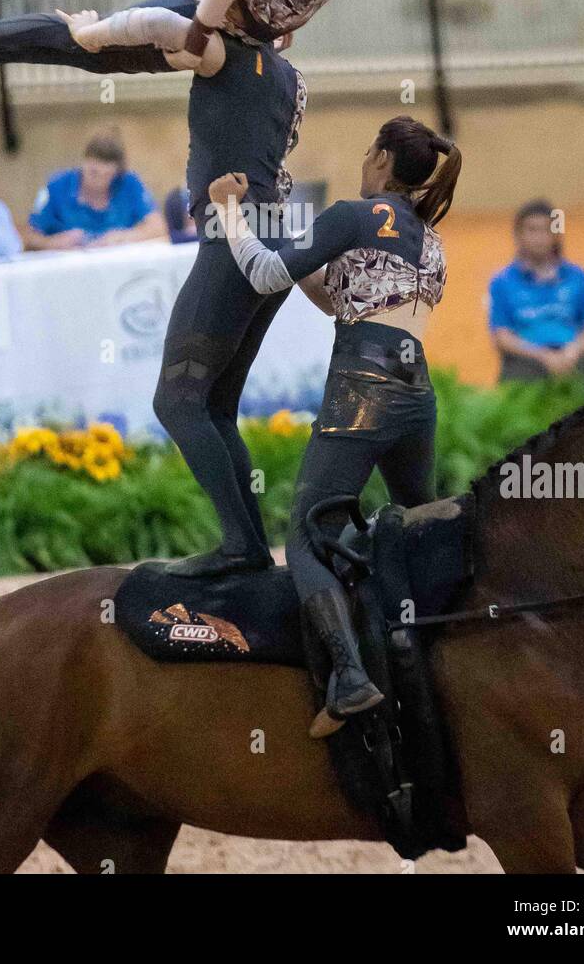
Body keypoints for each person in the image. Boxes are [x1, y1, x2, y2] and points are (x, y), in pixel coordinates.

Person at [0, 0, 368, 577]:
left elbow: (168, 30)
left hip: (231, 244)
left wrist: (103, 28)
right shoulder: (285, 74)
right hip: (270, 244)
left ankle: (242, 548)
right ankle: (248, 548)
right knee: (213, 405)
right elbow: (253, 17)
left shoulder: (220, 52)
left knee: (180, 405)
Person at [209, 114, 461, 735]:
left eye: (366, 149)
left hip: (360, 390)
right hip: (415, 393)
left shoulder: (352, 214)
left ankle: (349, 678)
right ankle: (445, 641)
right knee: (415, 518)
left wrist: (229, 212)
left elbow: (266, 274)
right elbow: (345, 298)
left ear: (380, 159)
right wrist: (300, 246)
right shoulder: (430, 240)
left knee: (305, 534)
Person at [488, 199, 584, 384]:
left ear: (556, 235)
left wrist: (573, 351)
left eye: (546, 230)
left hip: (572, 357)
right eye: (532, 230)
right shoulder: (502, 282)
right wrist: (543, 356)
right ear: (518, 235)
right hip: (526, 361)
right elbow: (502, 337)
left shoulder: (577, 277)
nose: (539, 237)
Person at [25, 131, 164, 251]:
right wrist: (54, 243)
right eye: (93, 172)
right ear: (84, 162)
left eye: (107, 175)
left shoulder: (129, 183)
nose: (99, 181)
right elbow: (29, 237)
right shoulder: (56, 187)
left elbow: (158, 226)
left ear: (117, 173)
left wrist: (123, 236)